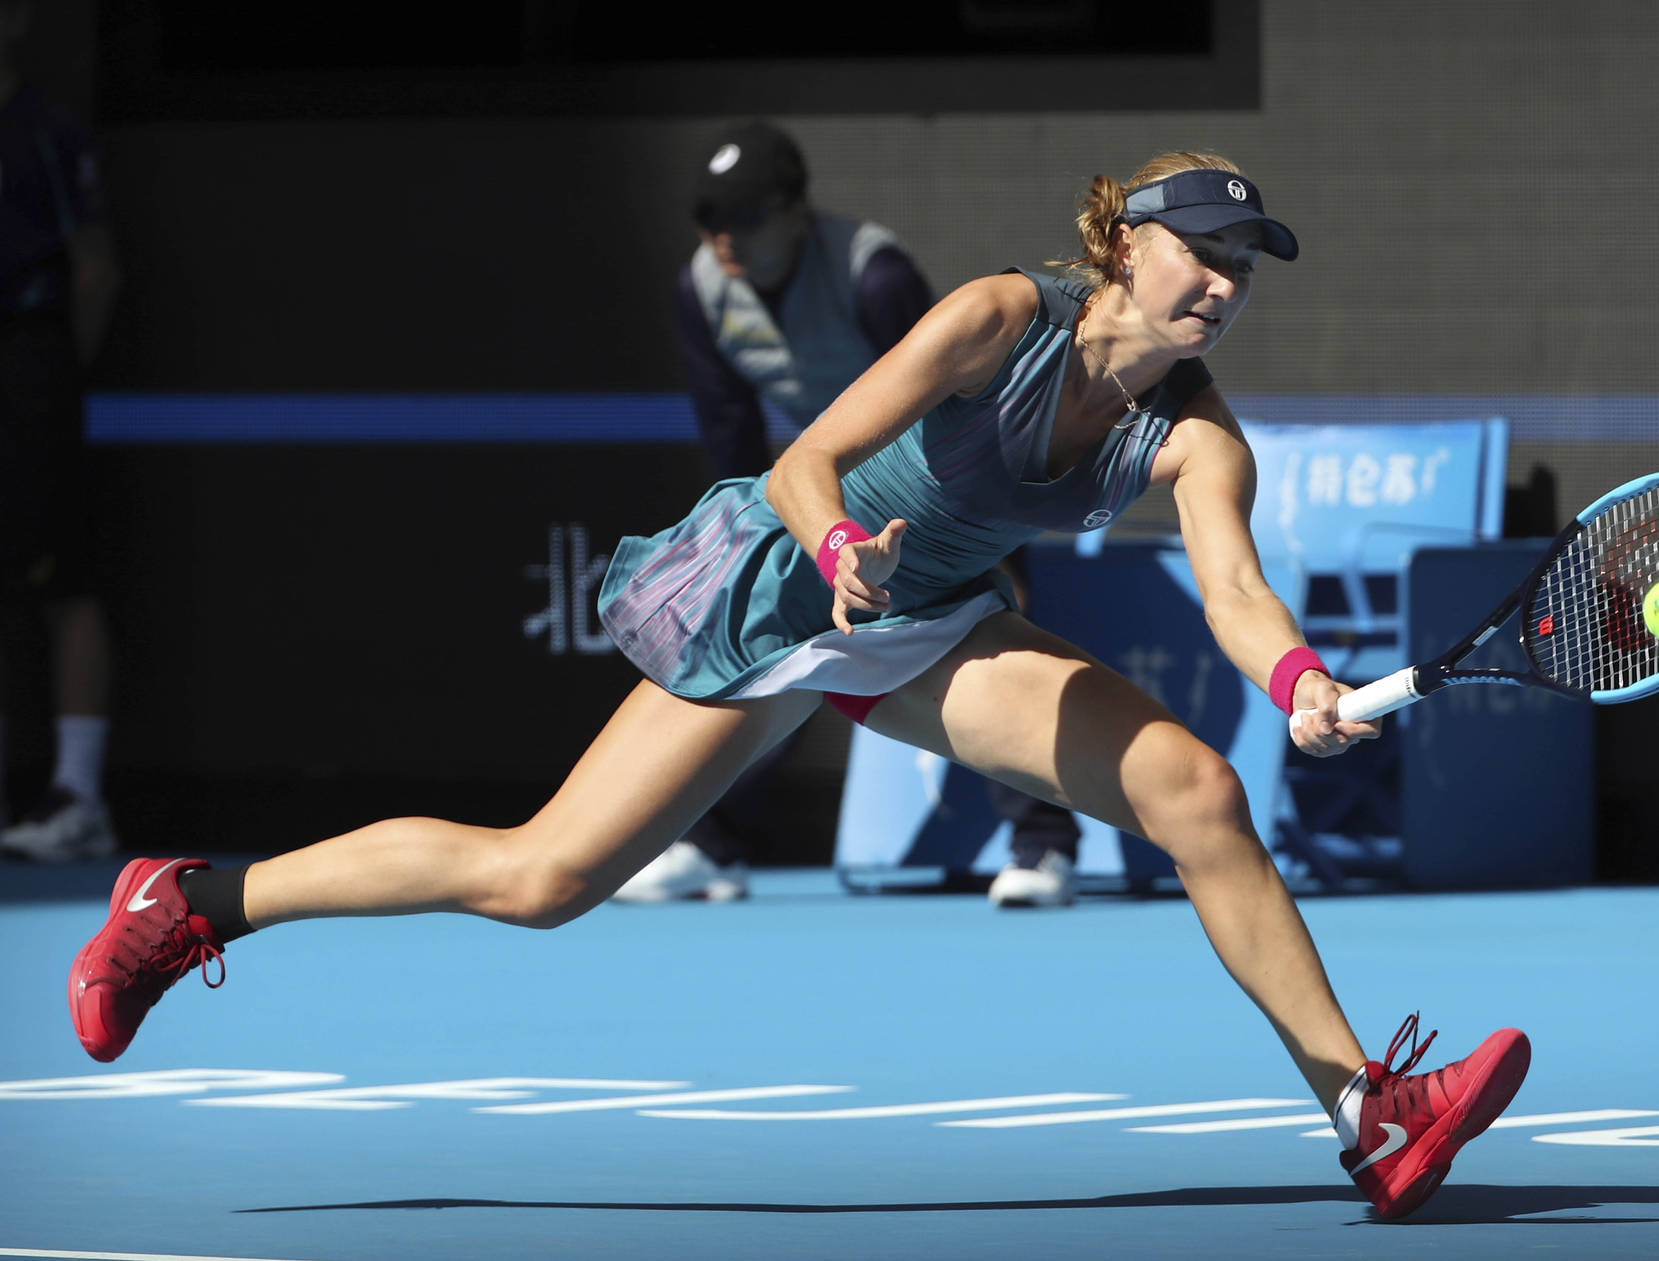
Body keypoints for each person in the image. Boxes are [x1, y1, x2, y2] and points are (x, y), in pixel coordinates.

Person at [66, 151, 1531, 1220]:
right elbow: (800, 459)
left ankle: (1369, 1110)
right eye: (1204, 251)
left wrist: (1294, 679)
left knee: (1192, 786)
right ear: (1126, 244)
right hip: (778, 585)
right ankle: (189, 901)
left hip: (929, 625)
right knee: (541, 878)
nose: (1226, 283)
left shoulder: (1201, 437)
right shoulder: (996, 317)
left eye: (1245, 264)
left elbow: (1228, 586)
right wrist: (840, 552)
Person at [622, 118, 1084, 907]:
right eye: (709, 221)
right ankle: (712, 843)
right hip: (824, 494)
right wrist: (765, 542)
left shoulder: (875, 275)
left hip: (955, 486)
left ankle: (1044, 847)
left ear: (797, 211)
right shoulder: (702, 288)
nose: (723, 239)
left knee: (992, 646)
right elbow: (730, 431)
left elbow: (952, 401)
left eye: (745, 219)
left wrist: (960, 537)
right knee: (755, 634)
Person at [0, 0, 122, 862]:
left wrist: (50, 367)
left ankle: (76, 798)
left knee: (62, 579)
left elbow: (95, 268)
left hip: (31, 365)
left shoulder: (45, 129)